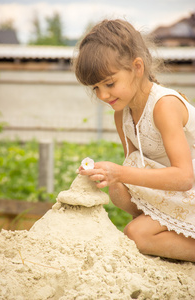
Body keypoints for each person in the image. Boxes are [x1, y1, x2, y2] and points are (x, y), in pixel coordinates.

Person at [74, 19, 195, 262]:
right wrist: (108, 174)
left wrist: (118, 172)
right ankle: (163, 235)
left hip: (188, 185)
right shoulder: (122, 114)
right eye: (95, 88)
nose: (103, 95)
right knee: (118, 189)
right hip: (174, 194)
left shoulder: (164, 106)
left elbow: (184, 177)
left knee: (135, 234)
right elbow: (134, 168)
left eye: (109, 83)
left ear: (137, 67)